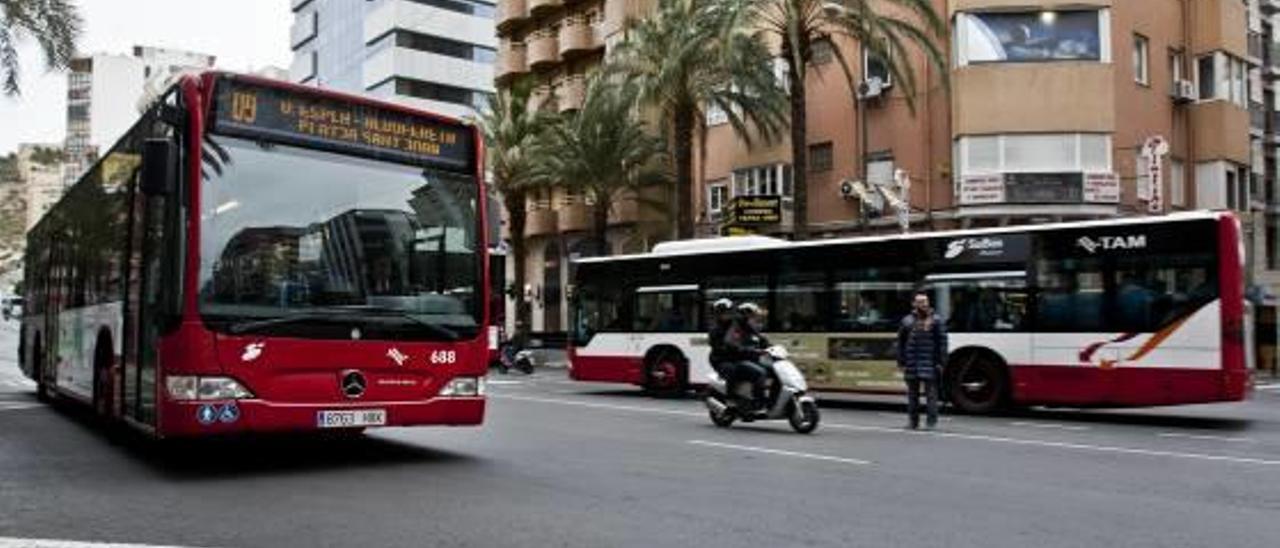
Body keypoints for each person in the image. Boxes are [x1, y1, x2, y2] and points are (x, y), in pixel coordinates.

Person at [897, 292, 947, 430]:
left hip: (930, 364)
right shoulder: (907, 321)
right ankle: (913, 422)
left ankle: (931, 422)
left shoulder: (937, 320)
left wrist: (941, 362)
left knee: (931, 396)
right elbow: (901, 343)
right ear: (914, 304)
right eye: (920, 301)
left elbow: (942, 343)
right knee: (912, 396)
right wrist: (901, 362)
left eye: (925, 301)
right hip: (912, 364)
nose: (923, 304)